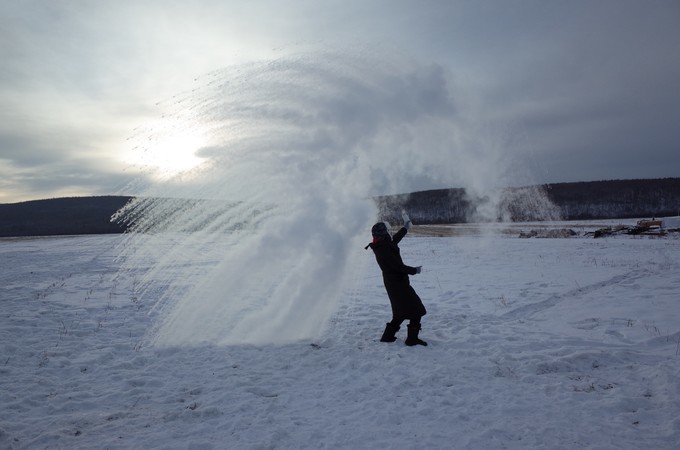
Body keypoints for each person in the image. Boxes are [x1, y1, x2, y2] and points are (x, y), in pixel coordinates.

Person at [365, 212, 427, 346]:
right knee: (416, 309)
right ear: (383, 233)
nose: (389, 232)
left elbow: (394, 240)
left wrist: (405, 228)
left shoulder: (383, 244)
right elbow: (398, 267)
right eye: (387, 230)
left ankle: (387, 337)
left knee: (400, 312)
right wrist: (414, 270)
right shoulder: (383, 250)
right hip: (397, 284)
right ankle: (412, 339)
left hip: (395, 283)